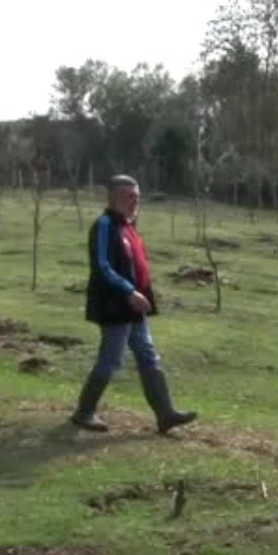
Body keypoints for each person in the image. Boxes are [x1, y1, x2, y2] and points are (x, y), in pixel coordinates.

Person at [68, 174, 197, 434]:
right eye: (130, 197)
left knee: (148, 355)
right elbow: (102, 267)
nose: (135, 201)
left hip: (134, 306)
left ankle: (165, 414)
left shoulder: (128, 226)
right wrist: (129, 292)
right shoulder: (105, 225)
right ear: (114, 197)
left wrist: (143, 294)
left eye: (137, 197)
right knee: (111, 358)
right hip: (115, 305)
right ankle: (84, 411)